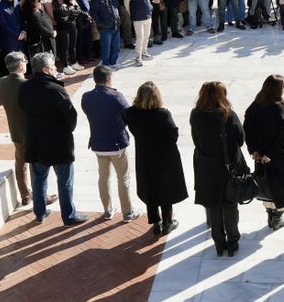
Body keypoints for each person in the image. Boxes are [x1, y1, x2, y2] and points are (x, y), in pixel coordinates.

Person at [19, 52, 88, 226]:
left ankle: (40, 213)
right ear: (45, 69)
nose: (55, 69)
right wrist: (67, 130)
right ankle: (68, 216)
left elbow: (22, 107)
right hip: (58, 142)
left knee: (39, 179)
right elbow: (71, 115)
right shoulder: (56, 89)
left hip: (36, 140)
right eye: (52, 66)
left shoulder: (25, 87)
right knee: (65, 181)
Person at [125, 81, 188, 235]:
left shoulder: (131, 113)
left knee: (150, 188)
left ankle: (155, 222)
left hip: (145, 157)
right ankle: (167, 223)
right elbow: (173, 135)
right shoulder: (162, 114)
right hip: (164, 158)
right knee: (165, 189)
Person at [190, 81, 245, 256]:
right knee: (230, 204)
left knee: (213, 205)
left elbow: (196, 140)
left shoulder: (195, 115)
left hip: (206, 167)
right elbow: (241, 139)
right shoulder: (228, 115)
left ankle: (219, 243)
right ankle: (233, 241)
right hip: (228, 167)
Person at [81, 65, 139, 222]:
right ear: (109, 79)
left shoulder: (86, 97)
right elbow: (129, 115)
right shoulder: (116, 96)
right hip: (117, 144)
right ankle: (128, 212)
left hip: (98, 145)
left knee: (104, 177)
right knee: (123, 178)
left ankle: (107, 210)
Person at [245, 74, 284, 231]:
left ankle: (271, 215)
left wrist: (254, 151)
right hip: (278, 157)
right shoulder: (279, 108)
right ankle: (276, 218)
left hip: (260, 155)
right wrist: (270, 155)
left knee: (266, 184)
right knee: (279, 186)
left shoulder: (254, 106)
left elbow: (247, 131)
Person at [0, 52, 36, 205]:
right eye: (25, 61)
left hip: (15, 130)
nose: (26, 63)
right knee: (36, 167)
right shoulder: (27, 85)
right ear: (20, 65)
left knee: (20, 163)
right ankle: (40, 196)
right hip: (30, 132)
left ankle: (25, 195)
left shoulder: (1, 81)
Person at [122, 0, 153, 66]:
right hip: (138, 18)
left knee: (146, 36)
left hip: (148, 16)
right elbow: (126, 4)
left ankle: (144, 52)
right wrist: (133, 14)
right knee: (140, 38)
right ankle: (138, 57)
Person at [89, 0, 121, 68]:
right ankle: (105, 65)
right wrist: (101, 24)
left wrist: (119, 19)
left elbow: (117, 7)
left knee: (116, 47)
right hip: (105, 28)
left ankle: (113, 62)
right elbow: (93, 12)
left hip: (115, 25)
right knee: (106, 47)